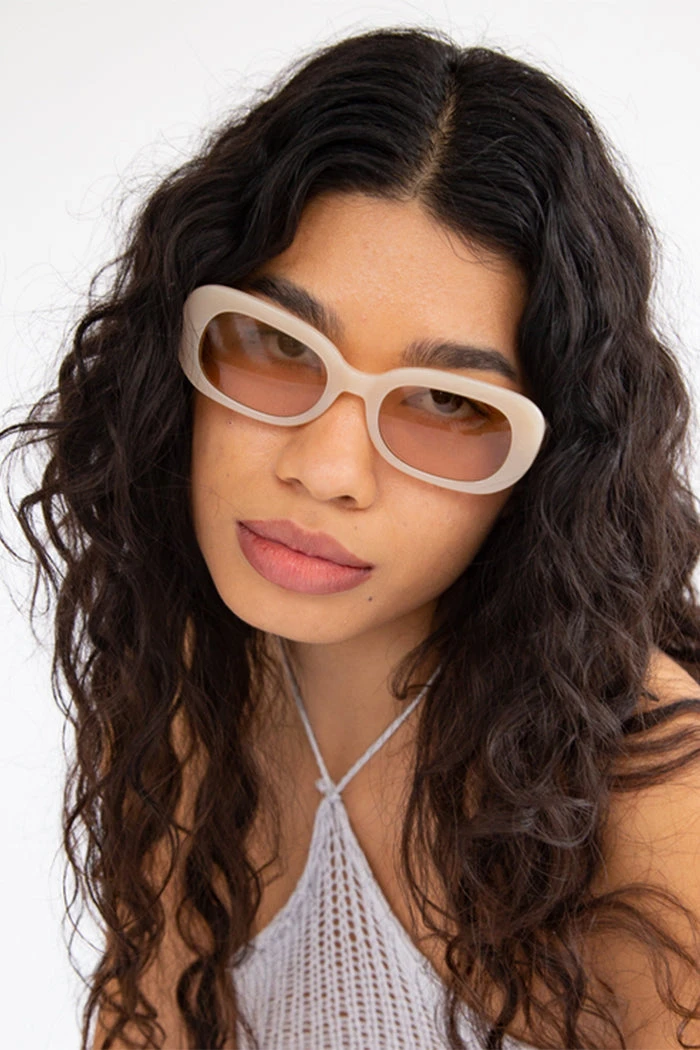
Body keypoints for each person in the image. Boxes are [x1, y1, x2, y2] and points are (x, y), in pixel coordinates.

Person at [3, 24, 700, 1050]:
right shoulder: (184, 690)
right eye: (277, 345)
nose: (327, 467)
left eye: (446, 403)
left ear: (550, 464)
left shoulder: (646, 795)